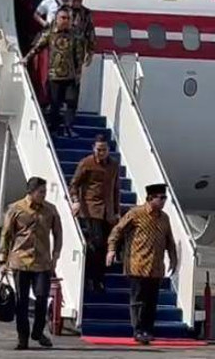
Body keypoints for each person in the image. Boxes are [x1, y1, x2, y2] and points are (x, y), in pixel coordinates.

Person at [106, 183, 178, 345]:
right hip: (137, 263)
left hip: (156, 266)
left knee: (152, 301)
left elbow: (169, 240)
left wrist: (173, 258)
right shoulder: (136, 214)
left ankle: (148, 329)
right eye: (160, 198)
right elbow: (117, 231)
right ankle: (138, 330)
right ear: (150, 198)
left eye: (165, 198)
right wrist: (111, 250)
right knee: (138, 299)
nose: (163, 201)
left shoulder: (164, 217)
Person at [0, 177, 63, 350]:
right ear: (31, 192)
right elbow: (6, 235)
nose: (44, 195)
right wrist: (3, 260)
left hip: (42, 263)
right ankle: (23, 337)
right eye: (41, 192)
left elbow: (58, 234)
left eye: (45, 192)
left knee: (42, 298)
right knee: (22, 302)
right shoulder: (16, 209)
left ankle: (37, 331)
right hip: (20, 261)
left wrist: (55, 256)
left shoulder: (50, 210)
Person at [70, 134, 120, 292]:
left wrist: (116, 211)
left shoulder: (113, 165)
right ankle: (93, 278)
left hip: (108, 211)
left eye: (104, 150)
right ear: (93, 149)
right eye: (98, 149)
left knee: (106, 246)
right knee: (96, 244)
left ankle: (99, 277)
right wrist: (76, 200)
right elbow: (74, 184)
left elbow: (116, 189)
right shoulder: (86, 163)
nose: (101, 152)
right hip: (91, 209)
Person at [23, 6, 80, 135]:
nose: (66, 21)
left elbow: (78, 55)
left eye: (68, 18)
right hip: (55, 75)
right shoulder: (50, 33)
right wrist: (26, 58)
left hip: (70, 75)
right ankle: (54, 128)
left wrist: (79, 72)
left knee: (71, 102)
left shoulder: (75, 35)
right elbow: (37, 47)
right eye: (63, 18)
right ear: (57, 19)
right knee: (55, 104)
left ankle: (68, 127)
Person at [71, 0, 96, 77]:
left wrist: (90, 51)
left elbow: (91, 32)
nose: (77, 2)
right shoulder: (63, 11)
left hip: (78, 50)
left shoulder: (86, 13)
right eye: (75, 0)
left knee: (76, 78)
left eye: (79, 0)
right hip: (64, 49)